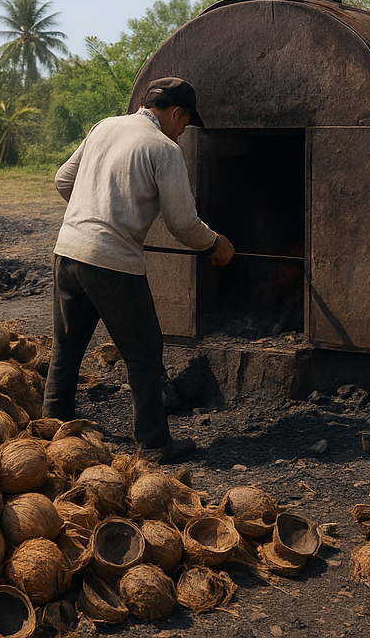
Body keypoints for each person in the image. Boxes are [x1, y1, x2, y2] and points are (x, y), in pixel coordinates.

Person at [44, 77, 235, 464]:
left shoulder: (105, 126)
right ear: (175, 113)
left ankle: (52, 424)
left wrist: (95, 210)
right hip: (111, 265)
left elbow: (63, 179)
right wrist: (214, 243)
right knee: (145, 353)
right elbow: (183, 222)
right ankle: (153, 445)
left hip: (67, 253)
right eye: (185, 124)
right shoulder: (163, 149)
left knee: (67, 344)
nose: (183, 132)